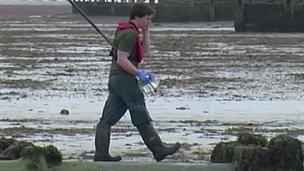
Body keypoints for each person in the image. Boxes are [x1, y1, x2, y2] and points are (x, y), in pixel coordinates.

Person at [94, 3, 181, 162]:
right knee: (140, 113)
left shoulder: (129, 31)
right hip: (125, 80)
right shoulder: (129, 34)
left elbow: (144, 51)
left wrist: (146, 32)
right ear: (137, 17)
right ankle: (159, 149)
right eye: (147, 19)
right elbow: (121, 59)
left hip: (115, 79)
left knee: (107, 119)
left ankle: (101, 154)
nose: (150, 22)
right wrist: (138, 73)